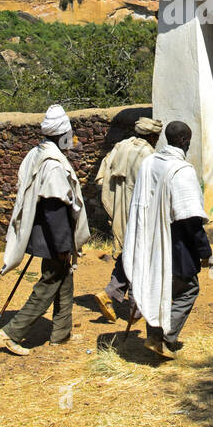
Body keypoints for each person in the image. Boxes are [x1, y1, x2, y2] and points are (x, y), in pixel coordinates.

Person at [0, 104, 90, 356]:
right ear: (62, 135)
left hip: (44, 230)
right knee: (50, 282)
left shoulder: (37, 153)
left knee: (64, 277)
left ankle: (61, 333)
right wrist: (63, 245)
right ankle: (13, 332)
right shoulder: (54, 164)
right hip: (53, 234)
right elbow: (54, 209)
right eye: (69, 134)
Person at [121, 121, 211, 360]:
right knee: (188, 289)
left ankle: (154, 336)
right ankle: (164, 337)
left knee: (157, 286)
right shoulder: (182, 170)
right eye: (188, 140)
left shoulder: (150, 163)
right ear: (183, 141)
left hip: (150, 238)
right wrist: (204, 249)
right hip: (175, 242)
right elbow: (189, 217)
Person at [91, 116, 162, 322]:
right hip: (139, 213)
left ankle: (111, 293)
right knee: (141, 258)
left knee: (127, 253)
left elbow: (101, 178)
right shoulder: (149, 154)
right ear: (151, 135)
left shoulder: (120, 147)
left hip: (120, 210)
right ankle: (136, 308)